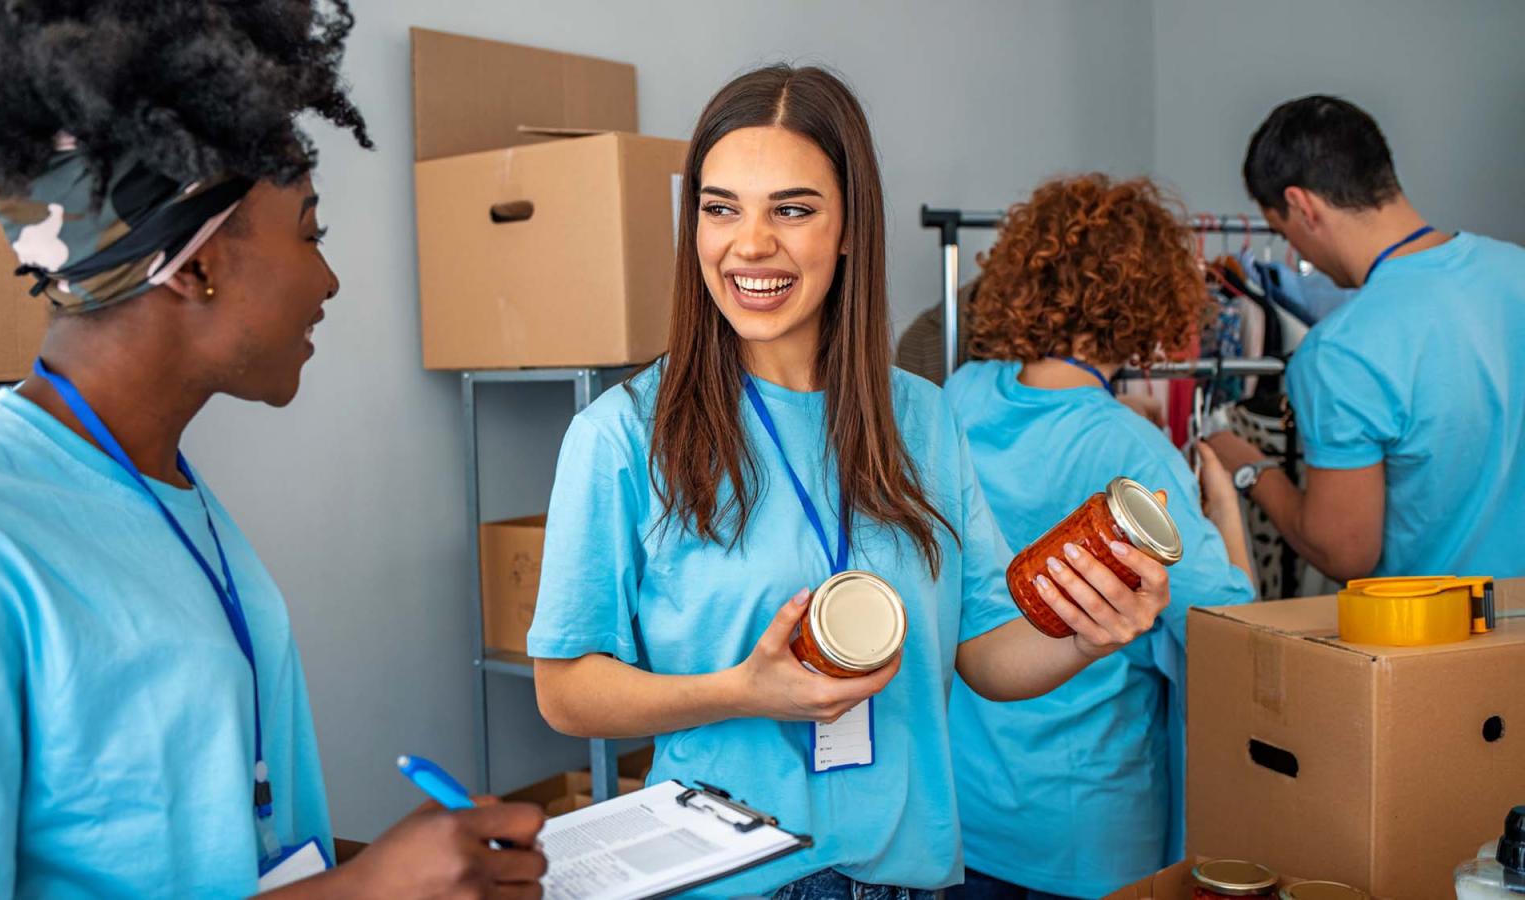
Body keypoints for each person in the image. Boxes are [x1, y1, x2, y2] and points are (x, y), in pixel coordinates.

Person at [0, 3, 546, 897]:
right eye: (310, 231)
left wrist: (391, 866)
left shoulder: (159, 483)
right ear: (197, 268)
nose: (328, 279)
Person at [526, 65, 1176, 899]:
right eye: (721, 208)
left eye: (791, 210)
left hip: (914, 876)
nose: (749, 244)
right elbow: (565, 690)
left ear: (847, 229)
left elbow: (983, 652)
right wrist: (741, 691)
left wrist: (1090, 632)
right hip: (729, 882)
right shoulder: (622, 435)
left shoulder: (925, 422)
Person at [942, 174, 1257, 900]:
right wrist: (1226, 515)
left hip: (971, 806)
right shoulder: (1132, 452)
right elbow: (1228, 630)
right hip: (1085, 829)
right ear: (1151, 302)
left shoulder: (964, 392)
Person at [1207, 95, 1525, 581]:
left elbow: (1344, 551)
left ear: (1301, 205)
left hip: (1441, 640)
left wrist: (1251, 469)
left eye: (1283, 232)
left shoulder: (1340, 351)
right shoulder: (1516, 269)